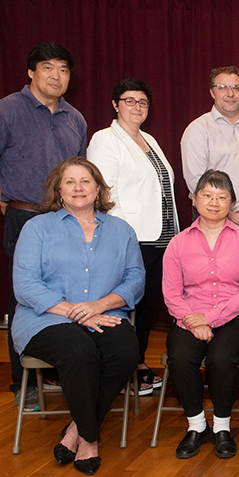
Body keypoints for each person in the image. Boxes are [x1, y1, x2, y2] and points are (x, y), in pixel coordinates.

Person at [0, 42, 87, 412]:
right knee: (26, 296)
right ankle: (23, 382)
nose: (56, 76)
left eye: (64, 69)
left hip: (66, 218)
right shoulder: (3, 112)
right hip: (24, 217)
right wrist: (5, 201)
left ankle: (61, 369)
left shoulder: (75, 119)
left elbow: (79, 173)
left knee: (67, 289)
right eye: (48, 67)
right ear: (31, 72)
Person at [11, 158, 144, 475]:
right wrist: (74, 311)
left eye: (85, 181)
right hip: (47, 319)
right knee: (79, 351)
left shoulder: (121, 230)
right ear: (59, 189)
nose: (78, 188)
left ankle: (75, 429)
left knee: (127, 351)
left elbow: (135, 280)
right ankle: (89, 441)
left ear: (98, 188)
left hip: (106, 314)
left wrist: (98, 306)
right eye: (70, 181)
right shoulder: (38, 228)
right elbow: (25, 284)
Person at [87, 78, 179, 395]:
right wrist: (122, 237)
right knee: (127, 306)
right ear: (115, 104)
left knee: (147, 306)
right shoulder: (105, 140)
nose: (137, 107)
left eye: (143, 102)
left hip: (160, 239)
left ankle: (137, 363)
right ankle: (124, 368)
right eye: (130, 101)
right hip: (131, 240)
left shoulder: (149, 139)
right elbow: (103, 194)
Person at [162, 170, 239, 460]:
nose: (214, 202)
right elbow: (171, 294)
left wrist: (210, 319)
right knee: (180, 356)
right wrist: (193, 320)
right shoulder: (178, 243)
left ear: (232, 203)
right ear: (194, 198)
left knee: (221, 357)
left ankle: (222, 427)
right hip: (188, 317)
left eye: (222, 197)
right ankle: (196, 424)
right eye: (207, 195)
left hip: (236, 317)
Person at [180, 65, 239, 235]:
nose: (230, 94)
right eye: (223, 87)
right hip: (213, 224)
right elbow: (196, 183)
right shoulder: (198, 130)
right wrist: (229, 215)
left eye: (235, 88)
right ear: (212, 92)